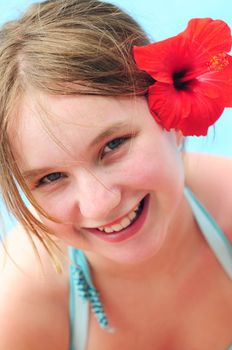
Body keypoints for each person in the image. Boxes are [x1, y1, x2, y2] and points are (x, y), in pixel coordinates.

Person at [0, 0, 231, 349]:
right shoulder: (25, 305)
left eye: (113, 145)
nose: (100, 204)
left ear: (172, 116)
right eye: (51, 178)